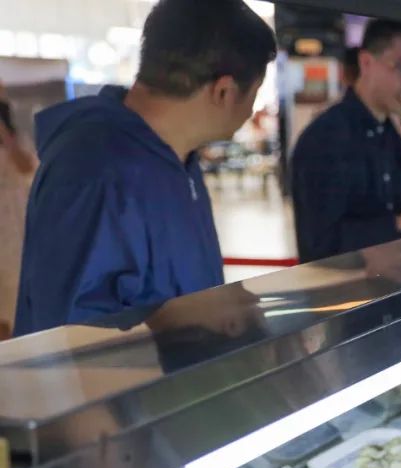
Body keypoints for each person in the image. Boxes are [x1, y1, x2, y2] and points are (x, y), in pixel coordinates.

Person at [13, 0, 274, 336]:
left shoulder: (179, 160)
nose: (252, 111)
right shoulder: (95, 169)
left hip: (182, 383)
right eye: (254, 93)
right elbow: (74, 340)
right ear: (224, 91)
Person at [291, 20, 401, 263]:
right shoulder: (326, 137)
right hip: (343, 295)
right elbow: (321, 242)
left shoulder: (392, 136)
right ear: (366, 62)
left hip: (394, 290)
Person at [0, 85, 37, 339]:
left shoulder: (14, 137)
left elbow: (27, 167)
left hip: (14, 224)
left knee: (13, 296)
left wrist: (6, 136)